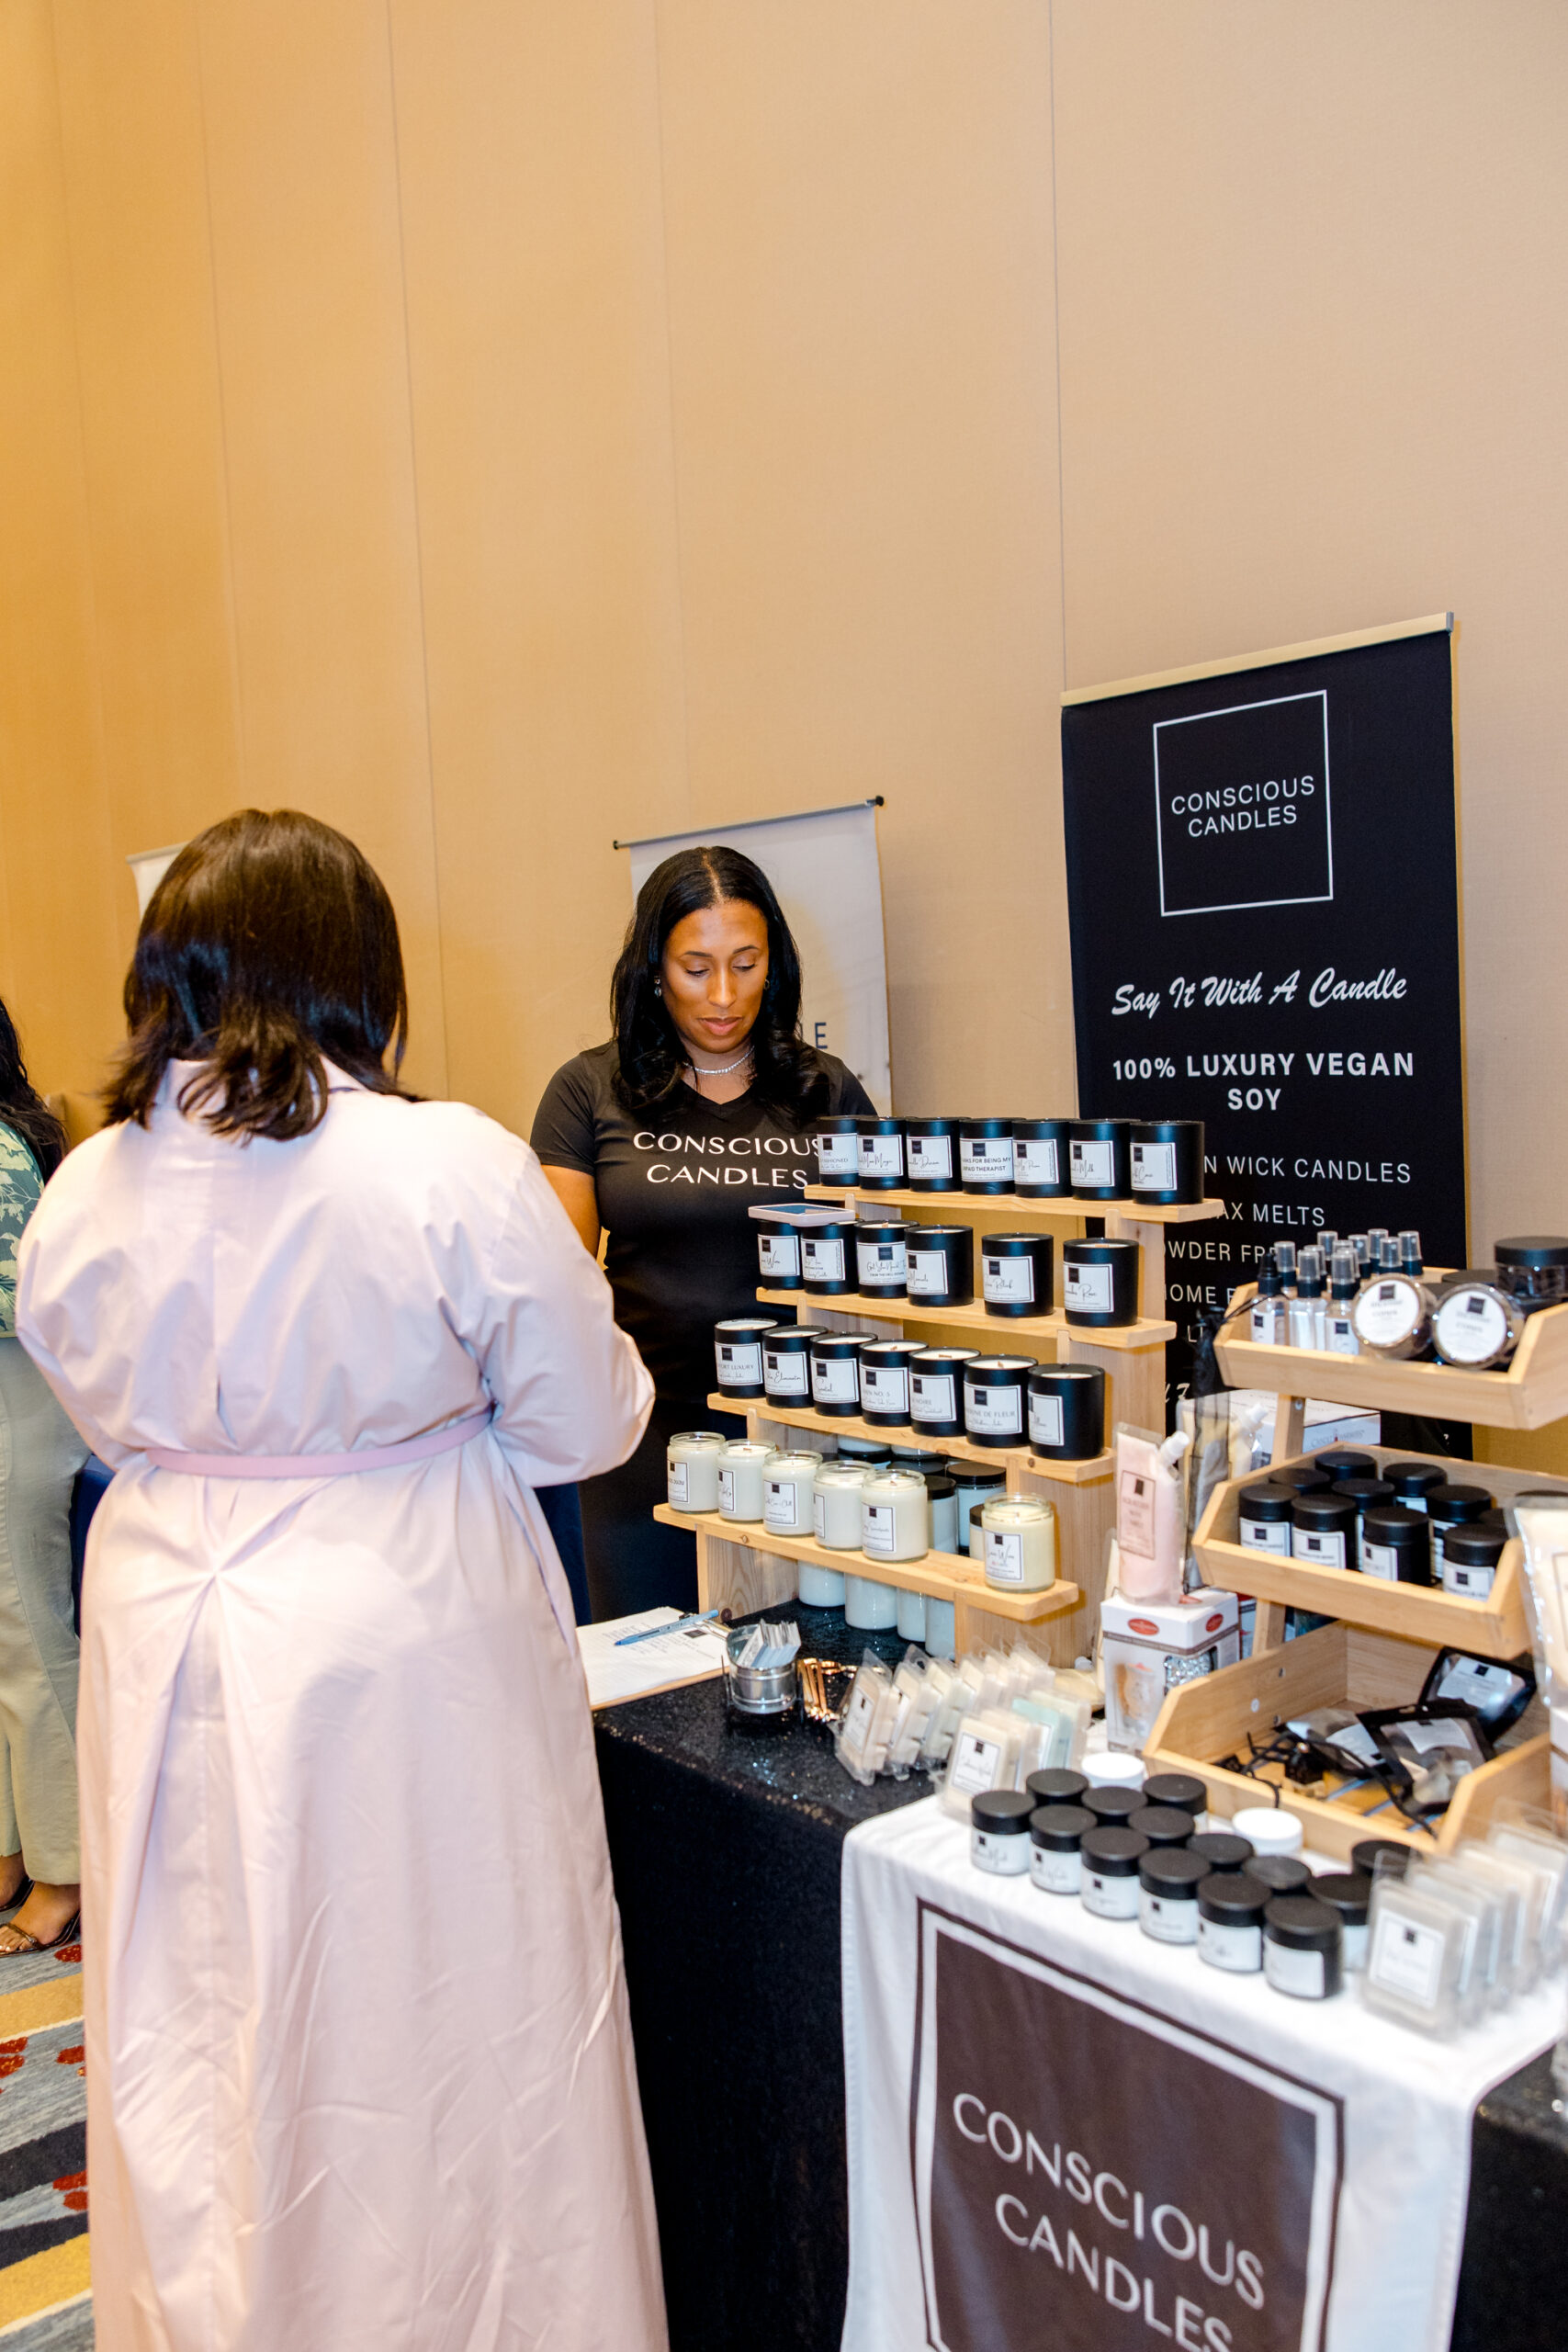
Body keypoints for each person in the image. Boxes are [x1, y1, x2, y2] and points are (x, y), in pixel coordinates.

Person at [17, 810, 667, 2352]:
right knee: (443, 2011)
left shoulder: (89, 1183)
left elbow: (88, 1401)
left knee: (198, 2023)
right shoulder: (442, 1161)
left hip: (166, 1611)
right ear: (360, 972)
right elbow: (586, 1419)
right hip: (402, 1621)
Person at [532, 843, 874, 1617]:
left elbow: (873, 1275)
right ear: (654, 970)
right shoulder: (587, 1091)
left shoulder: (826, 1090)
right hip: (641, 1436)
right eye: (696, 968)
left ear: (773, 966)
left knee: (802, 1646)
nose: (723, 995)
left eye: (746, 965)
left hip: (799, 1438)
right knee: (642, 1662)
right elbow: (560, 1286)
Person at [0, 1007, 85, 1955]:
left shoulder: (6, 1141)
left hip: (16, 1383)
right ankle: (13, 1850)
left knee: (26, 1628)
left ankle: (65, 1867)